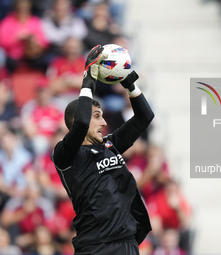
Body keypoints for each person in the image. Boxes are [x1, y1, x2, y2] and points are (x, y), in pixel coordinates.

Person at [51, 45, 154, 254]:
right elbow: (80, 123)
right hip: (95, 246)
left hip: (127, 243)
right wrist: (88, 77)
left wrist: (129, 83)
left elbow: (145, 117)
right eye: (97, 116)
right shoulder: (64, 155)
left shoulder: (110, 145)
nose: (104, 122)